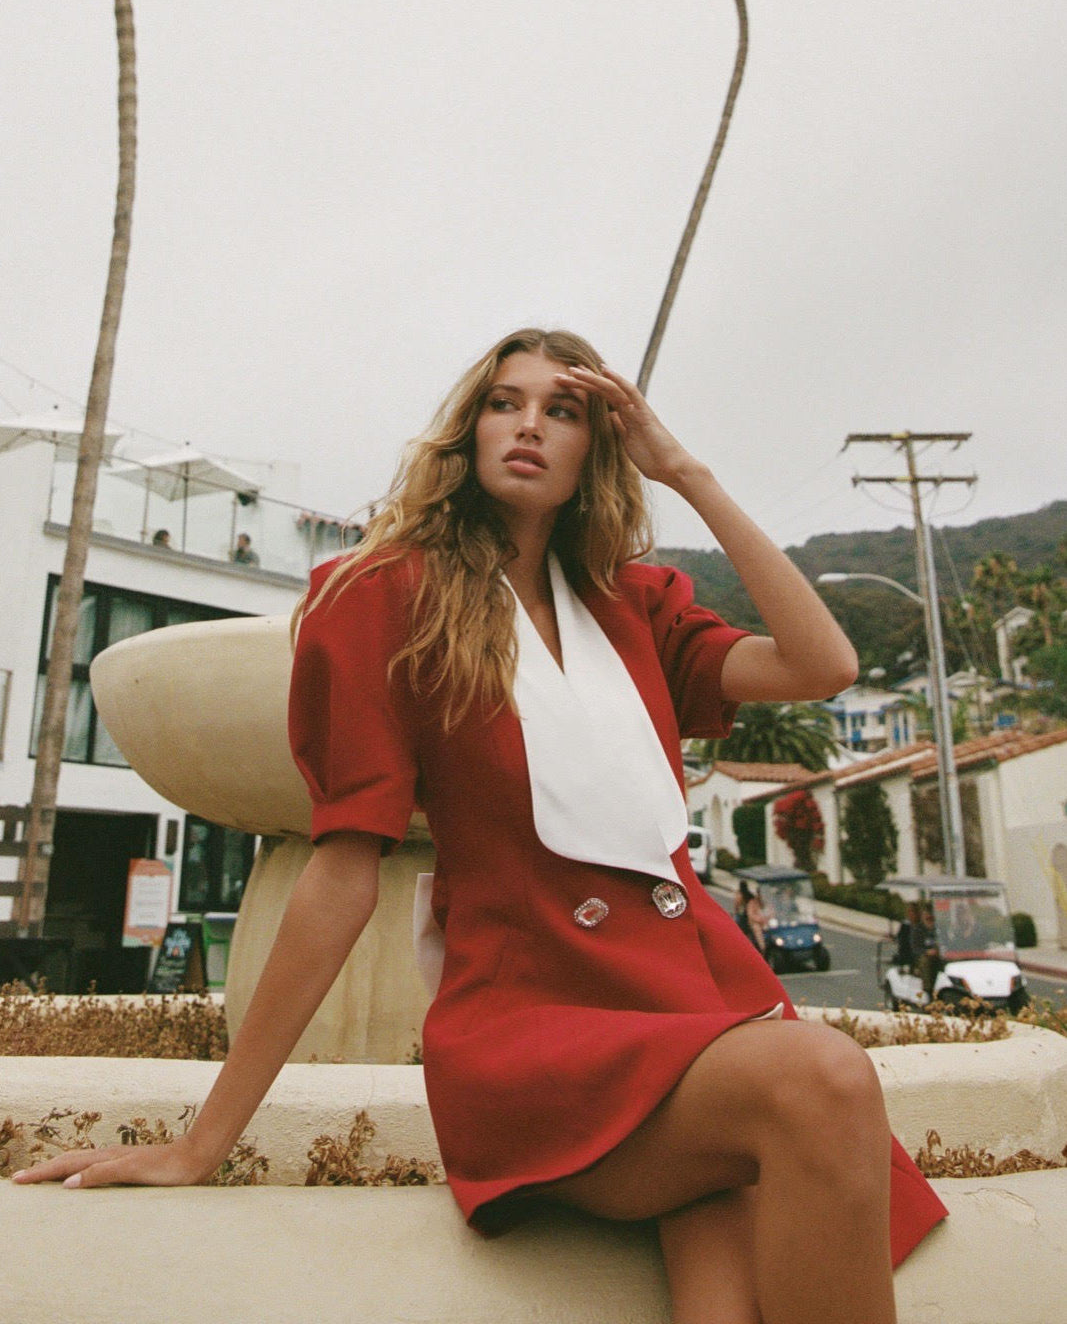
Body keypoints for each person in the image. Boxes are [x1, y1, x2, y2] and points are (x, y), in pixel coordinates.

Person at [15, 328, 946, 1322]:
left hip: (696, 1016)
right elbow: (341, 872)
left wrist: (684, 471)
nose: (529, 426)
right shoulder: (381, 596)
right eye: (505, 402)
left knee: (724, 1296)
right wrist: (205, 1139)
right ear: (468, 428)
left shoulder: (634, 604)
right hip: (537, 1036)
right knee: (823, 1077)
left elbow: (821, 666)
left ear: (600, 446)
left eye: (563, 410)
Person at [892, 901, 921, 972]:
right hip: (907, 954)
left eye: (913, 912)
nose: (911, 914)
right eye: (909, 911)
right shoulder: (905, 925)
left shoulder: (921, 926)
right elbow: (899, 939)